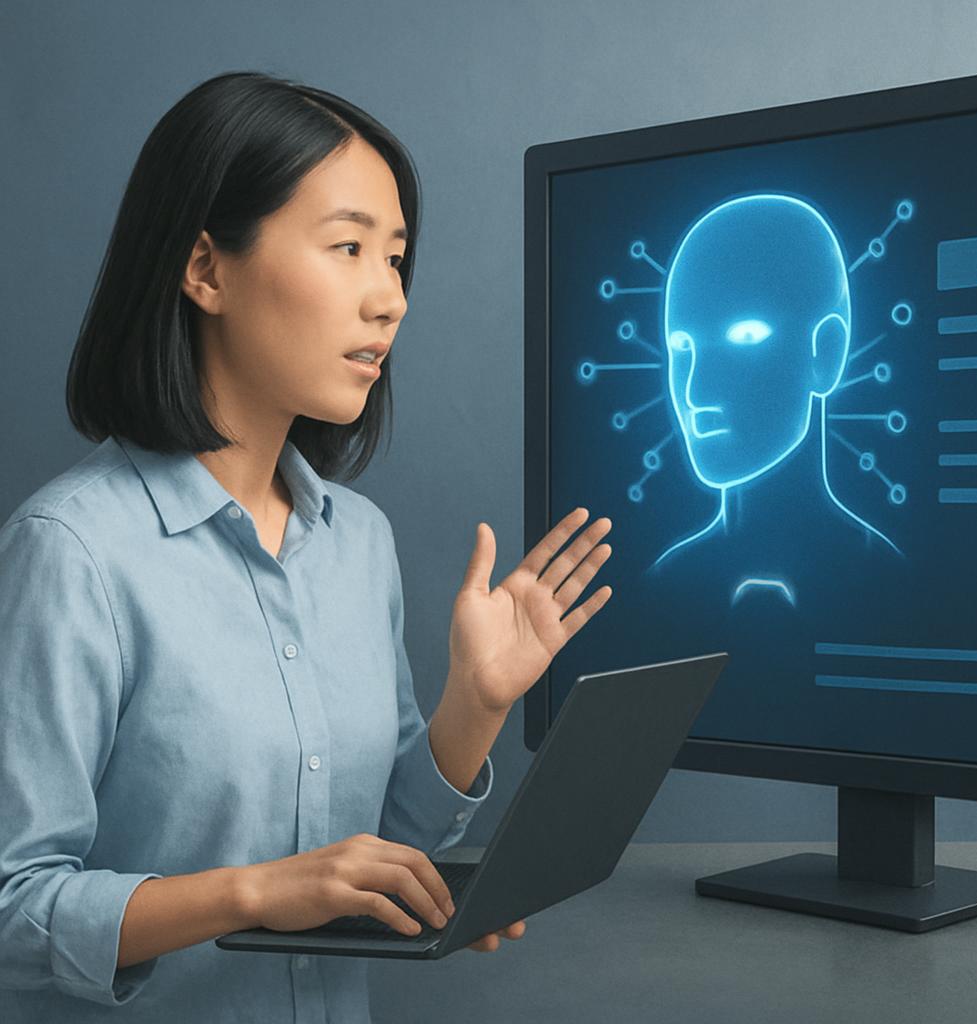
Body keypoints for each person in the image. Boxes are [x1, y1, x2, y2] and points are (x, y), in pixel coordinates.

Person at [0, 70, 613, 1023]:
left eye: (397, 257)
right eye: (349, 247)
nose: (390, 300)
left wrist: (477, 701)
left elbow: (373, 846)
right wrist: (253, 891)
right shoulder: (70, 553)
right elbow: (12, 905)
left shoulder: (358, 541)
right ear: (206, 269)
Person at [650, 193, 902, 581]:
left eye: (746, 335)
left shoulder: (889, 582)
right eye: (681, 347)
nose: (694, 392)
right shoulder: (666, 585)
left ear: (826, 352)